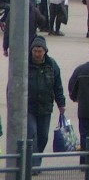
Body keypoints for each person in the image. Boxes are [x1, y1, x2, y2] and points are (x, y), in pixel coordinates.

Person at [27, 36, 66, 166]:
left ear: (45, 51)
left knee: (43, 137)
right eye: (35, 51)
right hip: (29, 107)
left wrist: (61, 103)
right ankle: (33, 165)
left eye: (40, 51)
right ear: (31, 51)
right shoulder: (25, 64)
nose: (37, 54)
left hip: (45, 107)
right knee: (32, 134)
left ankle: (35, 160)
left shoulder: (52, 65)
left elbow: (57, 86)